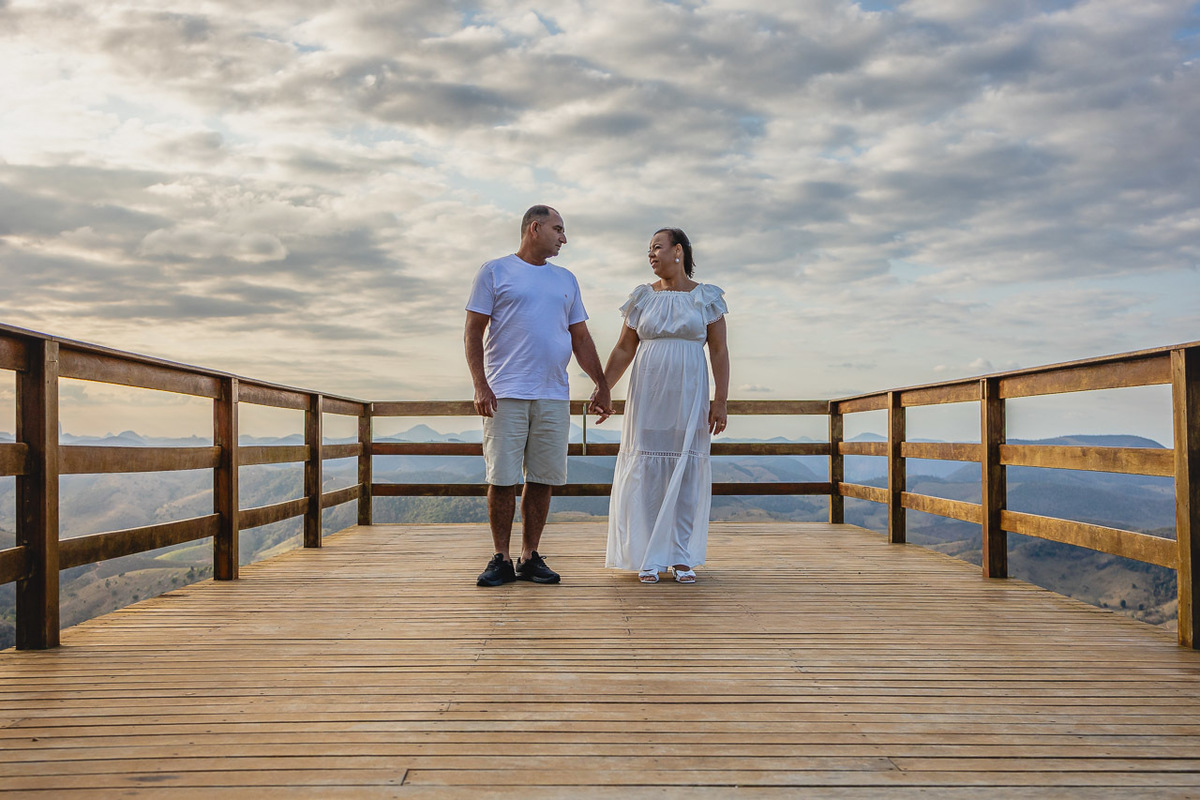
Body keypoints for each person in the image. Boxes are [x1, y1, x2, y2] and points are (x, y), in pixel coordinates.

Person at [465, 205, 612, 587]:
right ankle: (500, 557)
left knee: (543, 478)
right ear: (535, 228)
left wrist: (602, 383)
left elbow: (579, 337)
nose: (564, 238)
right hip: (505, 392)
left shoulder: (566, 278)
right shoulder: (494, 271)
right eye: (558, 229)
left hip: (552, 394)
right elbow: (472, 332)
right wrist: (481, 384)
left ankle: (530, 556)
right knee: (502, 478)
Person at [595, 227, 729, 584]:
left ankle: (681, 556)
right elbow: (624, 348)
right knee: (645, 470)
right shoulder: (643, 297)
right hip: (649, 395)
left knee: (685, 472)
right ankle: (648, 555)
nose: (651, 255)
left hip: (689, 394)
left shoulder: (706, 298)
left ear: (679, 251)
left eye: (657, 247)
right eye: (649, 250)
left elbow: (718, 350)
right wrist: (604, 388)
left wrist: (720, 401)